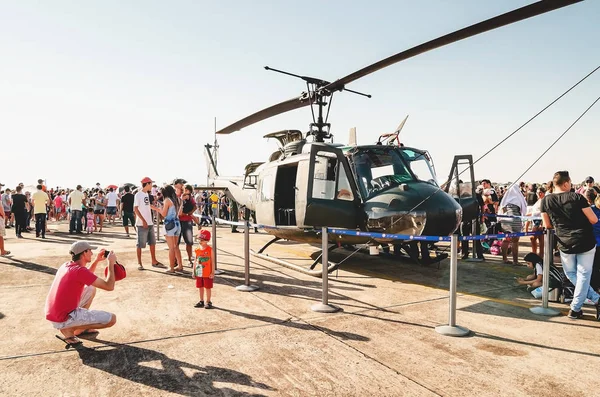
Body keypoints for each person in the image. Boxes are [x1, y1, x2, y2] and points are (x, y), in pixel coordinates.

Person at [540, 171, 600, 320]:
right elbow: (593, 219)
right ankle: (577, 308)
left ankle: (581, 306)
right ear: (566, 183)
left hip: (564, 242)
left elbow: (547, 224)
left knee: (571, 274)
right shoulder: (577, 197)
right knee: (583, 275)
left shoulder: (546, 201)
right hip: (584, 240)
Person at [44, 241, 118, 347]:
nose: (92, 253)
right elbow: (109, 286)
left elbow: (86, 276)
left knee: (90, 288)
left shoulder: (67, 265)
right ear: (84, 253)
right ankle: (70, 329)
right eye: (90, 251)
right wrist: (111, 263)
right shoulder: (79, 271)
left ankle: (78, 328)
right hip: (63, 318)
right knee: (112, 319)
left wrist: (97, 261)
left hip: (54, 314)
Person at [134, 177, 161, 270]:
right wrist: (143, 220)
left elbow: (147, 205)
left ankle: (154, 260)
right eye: (151, 184)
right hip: (142, 223)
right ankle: (139, 263)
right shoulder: (138, 195)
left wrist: (156, 209)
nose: (152, 186)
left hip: (149, 222)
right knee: (140, 244)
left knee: (152, 243)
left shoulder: (146, 194)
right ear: (147, 184)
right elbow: (136, 209)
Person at [156, 185, 182, 273]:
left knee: (171, 248)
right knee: (176, 247)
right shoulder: (178, 200)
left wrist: (157, 208)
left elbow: (163, 214)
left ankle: (171, 268)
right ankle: (180, 265)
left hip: (169, 225)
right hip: (177, 224)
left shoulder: (167, 200)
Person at [499, 184, 527, 265]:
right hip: (515, 219)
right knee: (515, 240)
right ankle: (515, 261)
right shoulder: (518, 198)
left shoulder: (506, 199)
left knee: (505, 239)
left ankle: (504, 259)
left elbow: (502, 209)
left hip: (505, 219)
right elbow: (524, 208)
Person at [193, 229, 215, 309]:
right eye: (199, 239)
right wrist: (193, 271)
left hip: (207, 273)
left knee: (208, 287)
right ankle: (201, 300)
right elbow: (195, 260)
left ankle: (208, 301)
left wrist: (212, 272)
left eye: (202, 240)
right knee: (200, 287)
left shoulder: (210, 250)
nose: (200, 241)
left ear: (207, 240)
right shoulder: (197, 250)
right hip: (199, 272)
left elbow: (212, 261)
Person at [178, 185, 197, 265]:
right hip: (179, 221)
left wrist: (190, 213)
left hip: (187, 221)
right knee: (176, 242)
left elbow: (195, 206)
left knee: (189, 242)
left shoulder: (191, 198)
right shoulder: (179, 197)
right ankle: (177, 261)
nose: (185, 191)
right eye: (184, 189)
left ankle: (190, 259)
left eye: (187, 190)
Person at [585, 190, 600, 291]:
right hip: (593, 243)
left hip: (595, 242)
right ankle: (594, 287)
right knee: (594, 267)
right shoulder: (591, 210)